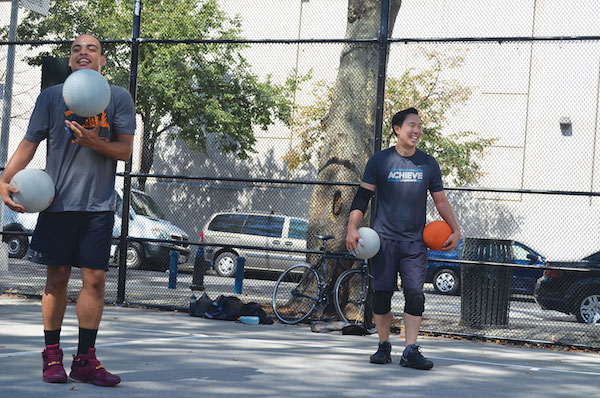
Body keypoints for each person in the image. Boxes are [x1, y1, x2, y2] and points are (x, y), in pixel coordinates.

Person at [0, 34, 135, 386]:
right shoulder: (50, 98)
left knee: (95, 280)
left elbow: (125, 152)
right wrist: (5, 179)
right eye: (76, 49)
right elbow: (29, 144)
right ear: (72, 61)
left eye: (91, 48)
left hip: (99, 206)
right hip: (56, 203)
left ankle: (86, 361)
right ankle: (52, 357)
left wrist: (94, 141)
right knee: (56, 278)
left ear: (102, 61)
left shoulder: (119, 98)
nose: (83, 53)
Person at [345, 107, 460, 370]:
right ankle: (384, 346)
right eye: (411, 125)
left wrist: (456, 229)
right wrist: (352, 228)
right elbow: (362, 197)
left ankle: (410, 349)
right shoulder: (379, 161)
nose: (417, 130)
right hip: (383, 242)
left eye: (419, 126)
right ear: (397, 129)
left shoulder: (428, 163)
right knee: (381, 296)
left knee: (415, 295)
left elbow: (440, 200)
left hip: (414, 243)